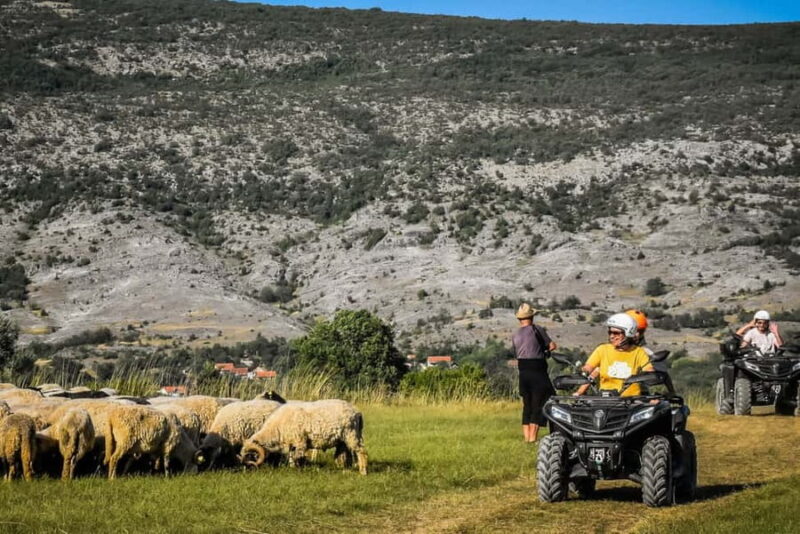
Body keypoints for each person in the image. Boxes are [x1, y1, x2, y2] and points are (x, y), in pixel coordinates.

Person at [575, 313, 654, 397]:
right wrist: (582, 372)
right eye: (610, 332)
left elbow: (648, 369)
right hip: (605, 399)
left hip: (631, 402)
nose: (612, 336)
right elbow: (589, 369)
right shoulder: (602, 350)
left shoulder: (638, 352)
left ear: (628, 333)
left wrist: (649, 374)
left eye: (616, 333)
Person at [512, 302, 557, 443]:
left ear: (519, 319)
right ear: (531, 316)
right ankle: (533, 438)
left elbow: (516, 353)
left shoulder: (515, 334)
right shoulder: (537, 329)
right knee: (540, 401)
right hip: (537, 369)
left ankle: (527, 438)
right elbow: (552, 345)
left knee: (527, 404)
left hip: (523, 370)